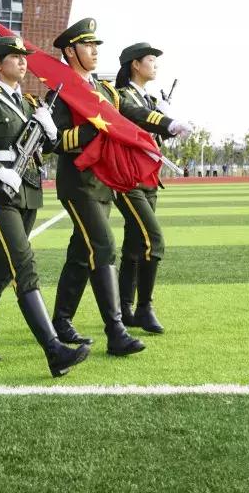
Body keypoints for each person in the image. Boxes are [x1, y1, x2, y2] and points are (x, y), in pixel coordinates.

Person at [49, 19, 190, 355]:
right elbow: (54, 140)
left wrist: (169, 123)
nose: (95, 51)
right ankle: (116, 330)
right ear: (70, 51)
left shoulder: (105, 90)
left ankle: (61, 321)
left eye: (96, 45)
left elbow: (133, 112)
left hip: (102, 182)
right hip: (77, 182)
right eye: (87, 45)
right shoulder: (60, 90)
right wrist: (93, 131)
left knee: (81, 252)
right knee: (103, 246)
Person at [0, 35, 89, 378]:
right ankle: (54, 350)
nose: (22, 61)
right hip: (1, 194)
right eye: (13, 57)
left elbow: (40, 152)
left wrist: (49, 130)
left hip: (27, 192)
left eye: (23, 57)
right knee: (24, 265)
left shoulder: (28, 104)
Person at [113, 42, 176, 333]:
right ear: (135, 65)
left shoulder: (149, 100)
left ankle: (125, 308)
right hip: (127, 180)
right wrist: (166, 120)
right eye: (150, 60)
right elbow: (135, 116)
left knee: (134, 245)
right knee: (154, 240)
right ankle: (145, 307)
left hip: (147, 179)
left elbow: (156, 142)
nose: (155, 64)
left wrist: (163, 117)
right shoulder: (122, 96)